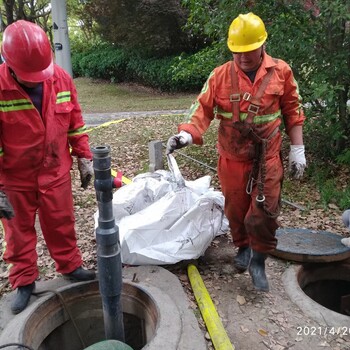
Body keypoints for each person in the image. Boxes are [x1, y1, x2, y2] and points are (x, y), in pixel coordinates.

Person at [166, 13, 306, 292]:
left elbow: (293, 111)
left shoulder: (281, 72)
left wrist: (298, 149)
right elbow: (201, 109)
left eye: (248, 51)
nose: (242, 57)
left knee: (264, 212)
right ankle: (242, 246)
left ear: (262, 45)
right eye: (236, 52)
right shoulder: (220, 76)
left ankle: (259, 259)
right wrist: (185, 135)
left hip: (266, 157)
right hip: (231, 157)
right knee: (235, 209)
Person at [0, 20, 96, 314]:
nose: (35, 80)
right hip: (15, 177)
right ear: (9, 63)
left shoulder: (61, 80)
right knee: (18, 232)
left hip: (54, 170)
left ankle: (70, 266)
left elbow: (75, 122)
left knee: (61, 222)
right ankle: (24, 281)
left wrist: (83, 156)